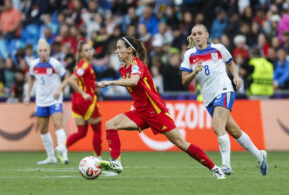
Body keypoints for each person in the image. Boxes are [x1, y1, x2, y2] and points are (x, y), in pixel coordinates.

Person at [96, 36, 225, 179]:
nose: (116, 51)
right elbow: (138, 91)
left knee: (181, 143)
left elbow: (134, 81)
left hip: (156, 112)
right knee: (110, 124)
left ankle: (214, 168)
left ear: (130, 50)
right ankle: (116, 163)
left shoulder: (137, 65)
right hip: (140, 111)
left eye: (119, 48)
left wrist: (110, 82)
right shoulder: (123, 69)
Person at [180, 24, 268, 176]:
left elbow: (231, 62)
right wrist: (194, 72)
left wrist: (235, 76)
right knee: (234, 130)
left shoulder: (219, 49)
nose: (197, 36)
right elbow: (184, 81)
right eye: (194, 34)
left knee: (217, 126)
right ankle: (260, 156)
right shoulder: (189, 55)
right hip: (208, 98)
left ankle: (226, 166)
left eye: (200, 33)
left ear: (207, 35)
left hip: (224, 89)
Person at [55, 41, 103, 161]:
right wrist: (84, 93)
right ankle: (99, 160)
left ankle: (61, 147)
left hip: (76, 101)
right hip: (87, 101)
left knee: (81, 132)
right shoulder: (85, 65)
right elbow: (72, 80)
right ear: (81, 53)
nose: (89, 52)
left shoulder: (79, 65)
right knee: (97, 131)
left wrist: (94, 84)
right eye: (86, 50)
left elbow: (80, 81)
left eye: (90, 49)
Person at [24, 39, 69, 165]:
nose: (43, 53)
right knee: (43, 129)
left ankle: (63, 155)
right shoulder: (34, 65)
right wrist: (27, 96)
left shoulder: (55, 64)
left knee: (58, 125)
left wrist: (60, 89)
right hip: (41, 100)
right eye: (40, 51)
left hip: (55, 99)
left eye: (45, 50)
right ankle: (51, 157)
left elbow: (66, 77)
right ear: (37, 52)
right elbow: (31, 79)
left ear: (49, 51)